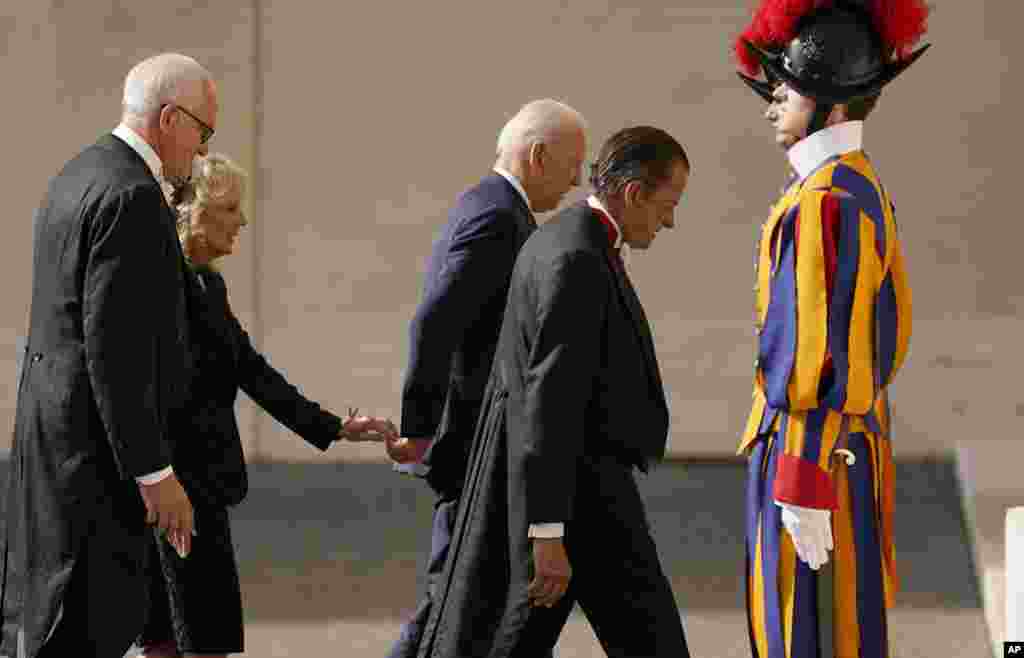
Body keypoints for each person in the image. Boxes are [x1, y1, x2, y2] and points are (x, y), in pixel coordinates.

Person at [414, 126, 691, 657]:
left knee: (517, 639)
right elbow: (551, 396)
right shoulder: (577, 259)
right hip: (587, 498)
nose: (670, 220)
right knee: (654, 644)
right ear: (633, 193)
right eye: (667, 204)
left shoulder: (561, 238)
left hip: (572, 496)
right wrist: (546, 531)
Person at [135, 153, 395, 658]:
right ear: (194, 213)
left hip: (202, 491)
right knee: (185, 640)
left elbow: (251, 371)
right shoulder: (162, 286)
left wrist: (336, 427)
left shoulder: (208, 284)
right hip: (177, 496)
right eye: (230, 208)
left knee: (186, 639)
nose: (243, 221)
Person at [0, 53, 214, 657]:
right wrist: (156, 473)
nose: (201, 153)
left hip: (51, 451)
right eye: (203, 133)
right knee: (87, 627)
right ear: (171, 118)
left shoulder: (77, 173)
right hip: (97, 469)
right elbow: (113, 349)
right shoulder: (133, 196)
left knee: (44, 623)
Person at [733, 1, 929, 655]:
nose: (771, 106)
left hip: (811, 454)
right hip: (830, 452)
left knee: (805, 636)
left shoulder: (827, 200)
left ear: (828, 101)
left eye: (783, 92)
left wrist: (803, 475)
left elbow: (819, 350)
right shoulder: (849, 186)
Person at [384, 99, 586, 658]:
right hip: (470, 440)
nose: (574, 183)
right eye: (573, 166)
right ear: (540, 155)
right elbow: (434, 321)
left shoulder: (489, 205)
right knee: (447, 597)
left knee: (456, 597)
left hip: (475, 435)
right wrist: (419, 429)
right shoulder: (499, 217)